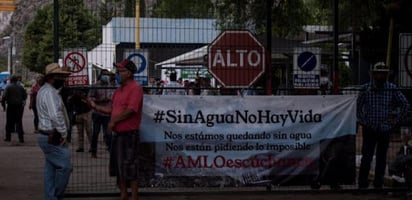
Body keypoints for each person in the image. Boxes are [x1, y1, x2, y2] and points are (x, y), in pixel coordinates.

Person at [87, 59, 143, 200]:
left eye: (120, 71)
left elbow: (131, 110)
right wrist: (95, 107)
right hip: (118, 134)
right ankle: (123, 194)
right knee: (119, 167)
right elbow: (112, 109)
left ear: (129, 73)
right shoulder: (118, 90)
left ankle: (134, 196)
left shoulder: (135, 88)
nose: (117, 74)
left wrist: (113, 122)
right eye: (117, 72)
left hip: (129, 133)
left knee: (130, 166)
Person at [357, 61, 410, 189]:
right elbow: (358, 107)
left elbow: (405, 105)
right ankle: (362, 184)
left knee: (381, 158)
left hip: (385, 129)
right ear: (373, 74)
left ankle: (378, 184)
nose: (380, 76)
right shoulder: (366, 88)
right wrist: (364, 121)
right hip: (370, 128)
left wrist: (395, 120)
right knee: (366, 157)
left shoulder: (392, 88)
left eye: (383, 74)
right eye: (378, 73)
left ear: (387, 75)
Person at [36, 63, 72, 199]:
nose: (63, 80)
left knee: (50, 170)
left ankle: (50, 196)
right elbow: (55, 115)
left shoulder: (46, 90)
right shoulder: (50, 93)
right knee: (65, 167)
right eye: (60, 77)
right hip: (52, 135)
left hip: (47, 135)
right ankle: (56, 195)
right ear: (51, 78)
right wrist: (63, 132)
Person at [89, 71, 114, 158]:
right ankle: (93, 151)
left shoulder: (111, 86)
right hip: (97, 113)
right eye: (105, 75)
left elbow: (114, 97)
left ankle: (111, 151)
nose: (106, 77)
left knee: (108, 133)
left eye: (108, 75)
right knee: (95, 132)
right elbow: (90, 98)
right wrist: (98, 101)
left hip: (107, 113)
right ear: (101, 76)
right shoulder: (95, 86)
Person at [1, 75, 27, 143]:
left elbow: (4, 97)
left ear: (11, 80)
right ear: (16, 80)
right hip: (19, 106)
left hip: (11, 106)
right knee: (19, 122)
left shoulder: (8, 87)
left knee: (9, 122)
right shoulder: (21, 87)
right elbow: (25, 96)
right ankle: (21, 138)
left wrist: (3, 105)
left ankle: (8, 137)